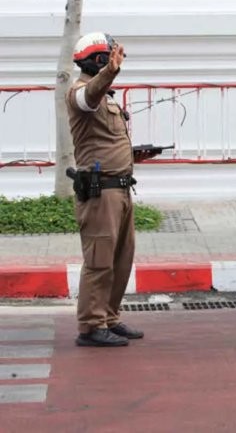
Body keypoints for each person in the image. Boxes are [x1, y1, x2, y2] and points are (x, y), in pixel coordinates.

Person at [66, 32, 150, 347]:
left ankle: (108, 318)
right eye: (110, 56)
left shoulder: (108, 98)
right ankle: (90, 326)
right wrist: (110, 72)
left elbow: (105, 142)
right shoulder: (78, 93)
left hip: (121, 188)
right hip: (100, 193)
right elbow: (89, 97)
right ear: (99, 59)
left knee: (121, 258)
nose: (117, 60)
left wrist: (133, 155)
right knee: (99, 260)